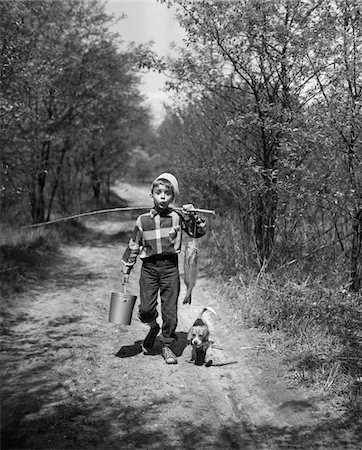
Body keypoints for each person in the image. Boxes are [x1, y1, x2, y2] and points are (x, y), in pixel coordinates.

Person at [121, 173, 206, 364]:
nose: (162, 196)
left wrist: (192, 215)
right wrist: (126, 268)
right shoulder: (142, 220)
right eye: (158, 192)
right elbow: (134, 245)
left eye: (167, 193)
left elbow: (197, 232)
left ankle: (167, 345)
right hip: (149, 269)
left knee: (170, 311)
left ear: (172, 197)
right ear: (151, 195)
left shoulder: (178, 217)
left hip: (170, 268)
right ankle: (153, 327)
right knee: (145, 309)